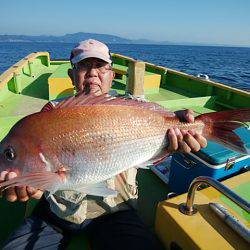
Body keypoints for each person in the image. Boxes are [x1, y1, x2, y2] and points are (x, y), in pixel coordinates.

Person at [0, 39, 207, 250]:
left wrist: (183, 125)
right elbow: (37, 173)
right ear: (72, 76)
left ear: (112, 75)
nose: (92, 73)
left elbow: (163, 126)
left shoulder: (133, 109)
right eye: (83, 66)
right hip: (58, 213)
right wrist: (31, 186)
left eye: (99, 66)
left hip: (116, 210)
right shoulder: (50, 114)